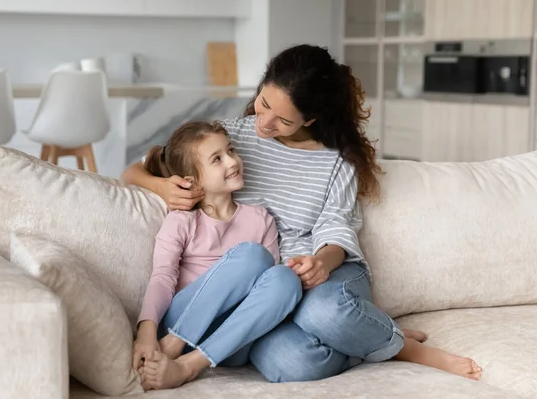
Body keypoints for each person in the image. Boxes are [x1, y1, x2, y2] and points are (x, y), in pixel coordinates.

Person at [123, 44, 482, 382]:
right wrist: (160, 186)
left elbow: (336, 227)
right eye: (263, 104)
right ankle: (368, 333)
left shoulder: (336, 162)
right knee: (292, 361)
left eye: (283, 120)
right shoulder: (227, 137)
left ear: (310, 120)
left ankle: (405, 348)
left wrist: (322, 262)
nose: (264, 124)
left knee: (320, 312)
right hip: (268, 289)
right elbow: (138, 168)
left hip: (323, 271)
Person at [132, 120, 302, 390]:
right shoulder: (183, 221)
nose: (232, 161)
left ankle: (188, 367)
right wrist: (146, 332)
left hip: (231, 341)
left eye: (231, 151)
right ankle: (174, 345)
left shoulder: (260, 219)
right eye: (217, 159)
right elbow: (162, 278)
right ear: (192, 181)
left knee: (285, 278)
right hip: (179, 324)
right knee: (253, 256)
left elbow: (269, 291)